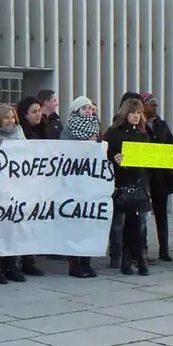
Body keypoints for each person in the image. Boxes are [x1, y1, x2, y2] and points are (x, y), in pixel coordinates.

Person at [103, 98, 151, 276]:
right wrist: (114, 158)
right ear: (125, 113)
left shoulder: (143, 133)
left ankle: (139, 258)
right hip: (121, 183)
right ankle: (122, 258)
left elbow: (148, 159)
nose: (136, 116)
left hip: (139, 183)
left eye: (139, 112)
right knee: (121, 224)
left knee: (138, 223)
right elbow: (105, 154)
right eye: (133, 112)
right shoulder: (114, 132)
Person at [62, 96, 101, 278]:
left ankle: (87, 262)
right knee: (74, 224)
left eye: (90, 108)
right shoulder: (68, 130)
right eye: (84, 108)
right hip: (73, 183)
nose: (88, 111)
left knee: (89, 223)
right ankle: (74, 264)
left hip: (90, 183)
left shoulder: (96, 128)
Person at [13, 97, 47, 277]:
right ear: (25, 114)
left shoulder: (45, 129)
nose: (38, 115)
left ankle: (28, 260)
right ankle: (17, 261)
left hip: (38, 185)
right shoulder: (21, 133)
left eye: (39, 111)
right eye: (34, 112)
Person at [141, 93, 173, 262]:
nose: (155, 108)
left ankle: (164, 249)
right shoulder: (139, 126)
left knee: (162, 215)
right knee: (143, 215)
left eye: (156, 105)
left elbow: (170, 145)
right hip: (146, 177)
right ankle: (143, 249)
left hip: (161, 177)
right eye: (151, 105)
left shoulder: (162, 125)